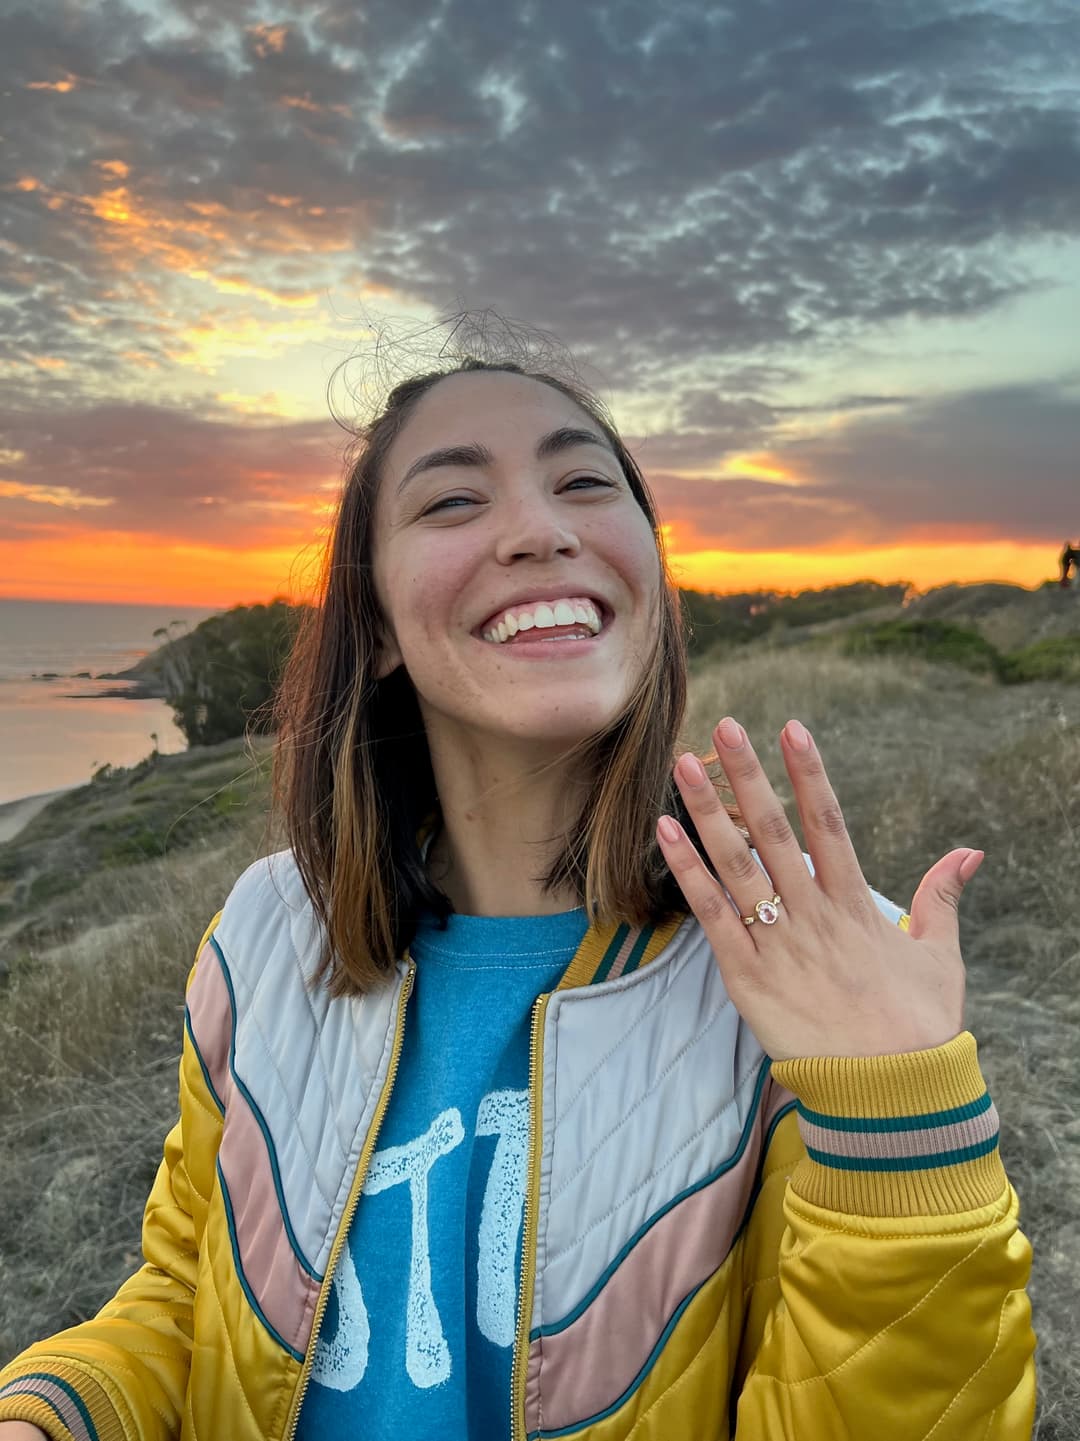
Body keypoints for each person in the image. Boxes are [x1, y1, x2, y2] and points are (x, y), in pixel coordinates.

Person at [0, 355, 1036, 1440]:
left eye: (587, 484)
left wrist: (904, 1127)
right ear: (383, 627)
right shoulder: (266, 936)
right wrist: (51, 1414)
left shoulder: (820, 967)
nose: (539, 530)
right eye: (453, 499)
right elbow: (182, 1302)